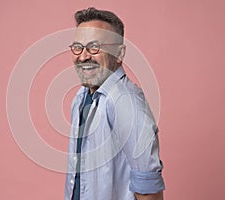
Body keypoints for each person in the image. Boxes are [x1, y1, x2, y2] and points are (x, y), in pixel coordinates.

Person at [65, 7, 165, 200]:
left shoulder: (126, 101)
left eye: (94, 47)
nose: (83, 56)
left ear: (119, 54)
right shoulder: (81, 97)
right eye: (78, 47)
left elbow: (148, 188)